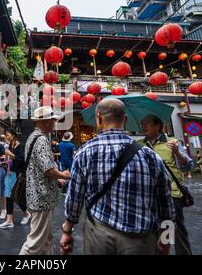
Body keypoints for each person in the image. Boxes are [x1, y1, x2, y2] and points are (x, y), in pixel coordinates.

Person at [60, 99, 175, 255]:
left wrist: (67, 230)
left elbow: (75, 197)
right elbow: (166, 204)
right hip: (141, 238)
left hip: (98, 234)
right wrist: (167, 239)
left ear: (98, 118)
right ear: (125, 120)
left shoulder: (84, 152)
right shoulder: (149, 155)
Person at [140, 114, 194, 255]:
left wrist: (177, 152)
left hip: (172, 193)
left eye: (147, 123)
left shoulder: (173, 142)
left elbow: (188, 166)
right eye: (142, 124)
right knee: (152, 230)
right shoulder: (139, 145)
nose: (144, 126)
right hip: (148, 195)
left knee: (173, 229)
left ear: (157, 126)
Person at [19, 106, 70, 255]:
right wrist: (64, 175)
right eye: (53, 121)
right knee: (34, 243)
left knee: (46, 240)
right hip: (42, 196)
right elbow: (48, 170)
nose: (54, 124)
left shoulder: (34, 136)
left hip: (40, 194)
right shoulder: (41, 139)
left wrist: (57, 178)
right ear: (47, 121)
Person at [0, 128, 31, 229]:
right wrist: (5, 160)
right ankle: (9, 220)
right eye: (6, 135)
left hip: (17, 174)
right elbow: (11, 160)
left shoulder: (21, 146)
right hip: (9, 173)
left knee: (16, 196)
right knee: (9, 196)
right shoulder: (11, 146)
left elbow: (22, 161)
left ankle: (26, 214)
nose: (7, 137)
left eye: (9, 135)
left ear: (14, 135)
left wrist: (10, 155)